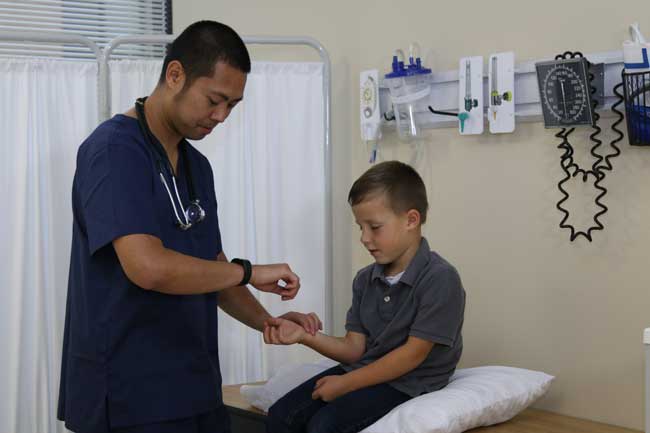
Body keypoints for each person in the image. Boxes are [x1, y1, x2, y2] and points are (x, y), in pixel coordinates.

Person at [57, 20, 322, 433]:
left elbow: (211, 267)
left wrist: (267, 320)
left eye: (232, 105)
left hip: (194, 388)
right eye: (214, 100)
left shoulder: (197, 166)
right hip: (129, 394)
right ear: (175, 74)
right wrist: (251, 271)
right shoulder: (113, 151)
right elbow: (149, 267)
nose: (221, 116)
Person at [264, 161, 466, 433]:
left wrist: (346, 384)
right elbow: (354, 349)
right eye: (360, 227)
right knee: (281, 416)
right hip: (365, 369)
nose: (364, 238)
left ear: (411, 220)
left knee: (325, 426)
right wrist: (304, 335)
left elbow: (412, 356)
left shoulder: (440, 278)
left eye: (374, 227)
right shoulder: (365, 279)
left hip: (411, 381)